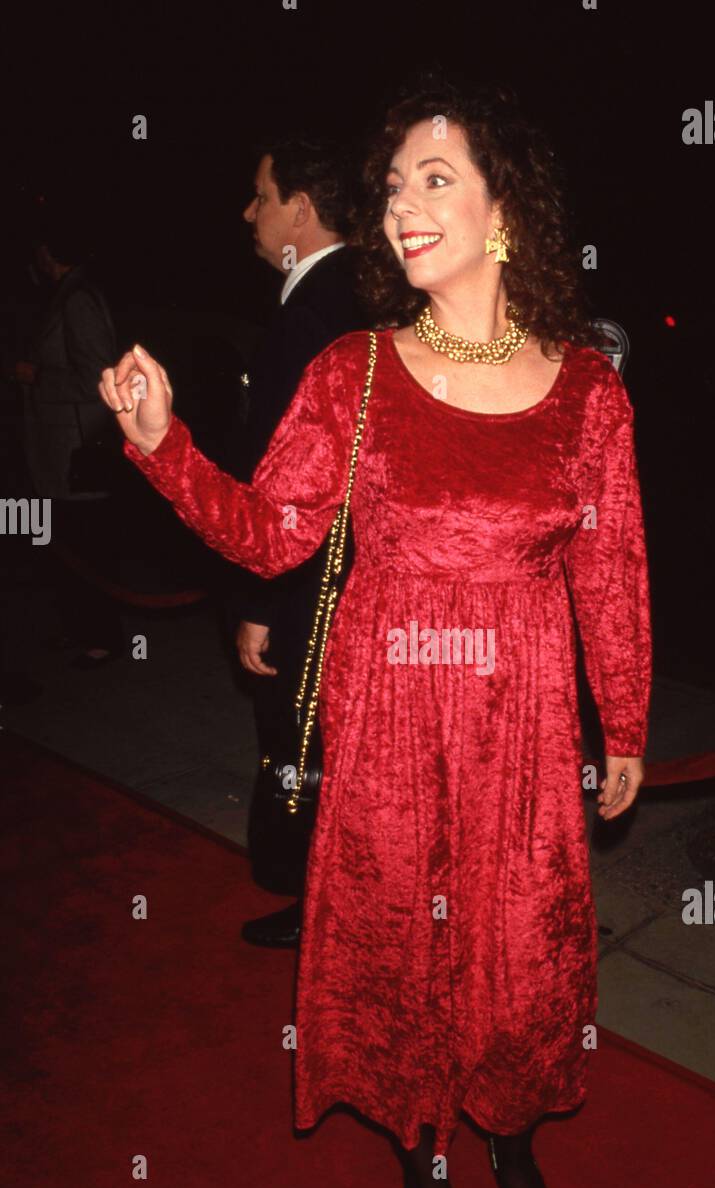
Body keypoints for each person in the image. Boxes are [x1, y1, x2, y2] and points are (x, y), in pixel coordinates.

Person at [100, 77, 652, 1188]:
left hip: (523, 731)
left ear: (507, 210)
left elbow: (613, 570)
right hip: (391, 728)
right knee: (405, 952)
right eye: (394, 183)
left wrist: (626, 719)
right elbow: (271, 535)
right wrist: (163, 444)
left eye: (436, 178)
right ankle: (428, 1169)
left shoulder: (589, 392)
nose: (404, 202)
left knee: (515, 952)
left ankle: (510, 1144)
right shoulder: (352, 373)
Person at [233, 134, 369, 948]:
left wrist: (259, 602)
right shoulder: (366, 292)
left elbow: (287, 483)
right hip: (355, 568)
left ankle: (323, 907)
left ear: (302, 211)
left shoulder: (312, 313)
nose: (249, 212)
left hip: (314, 578)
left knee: (303, 741)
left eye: (261, 196)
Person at [18, 222, 123, 667]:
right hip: (60, 448)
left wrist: (36, 376)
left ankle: (101, 639)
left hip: (77, 450)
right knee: (69, 544)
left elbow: (96, 374)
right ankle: (83, 632)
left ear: (49, 251)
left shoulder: (78, 299)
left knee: (85, 547)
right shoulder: (67, 293)